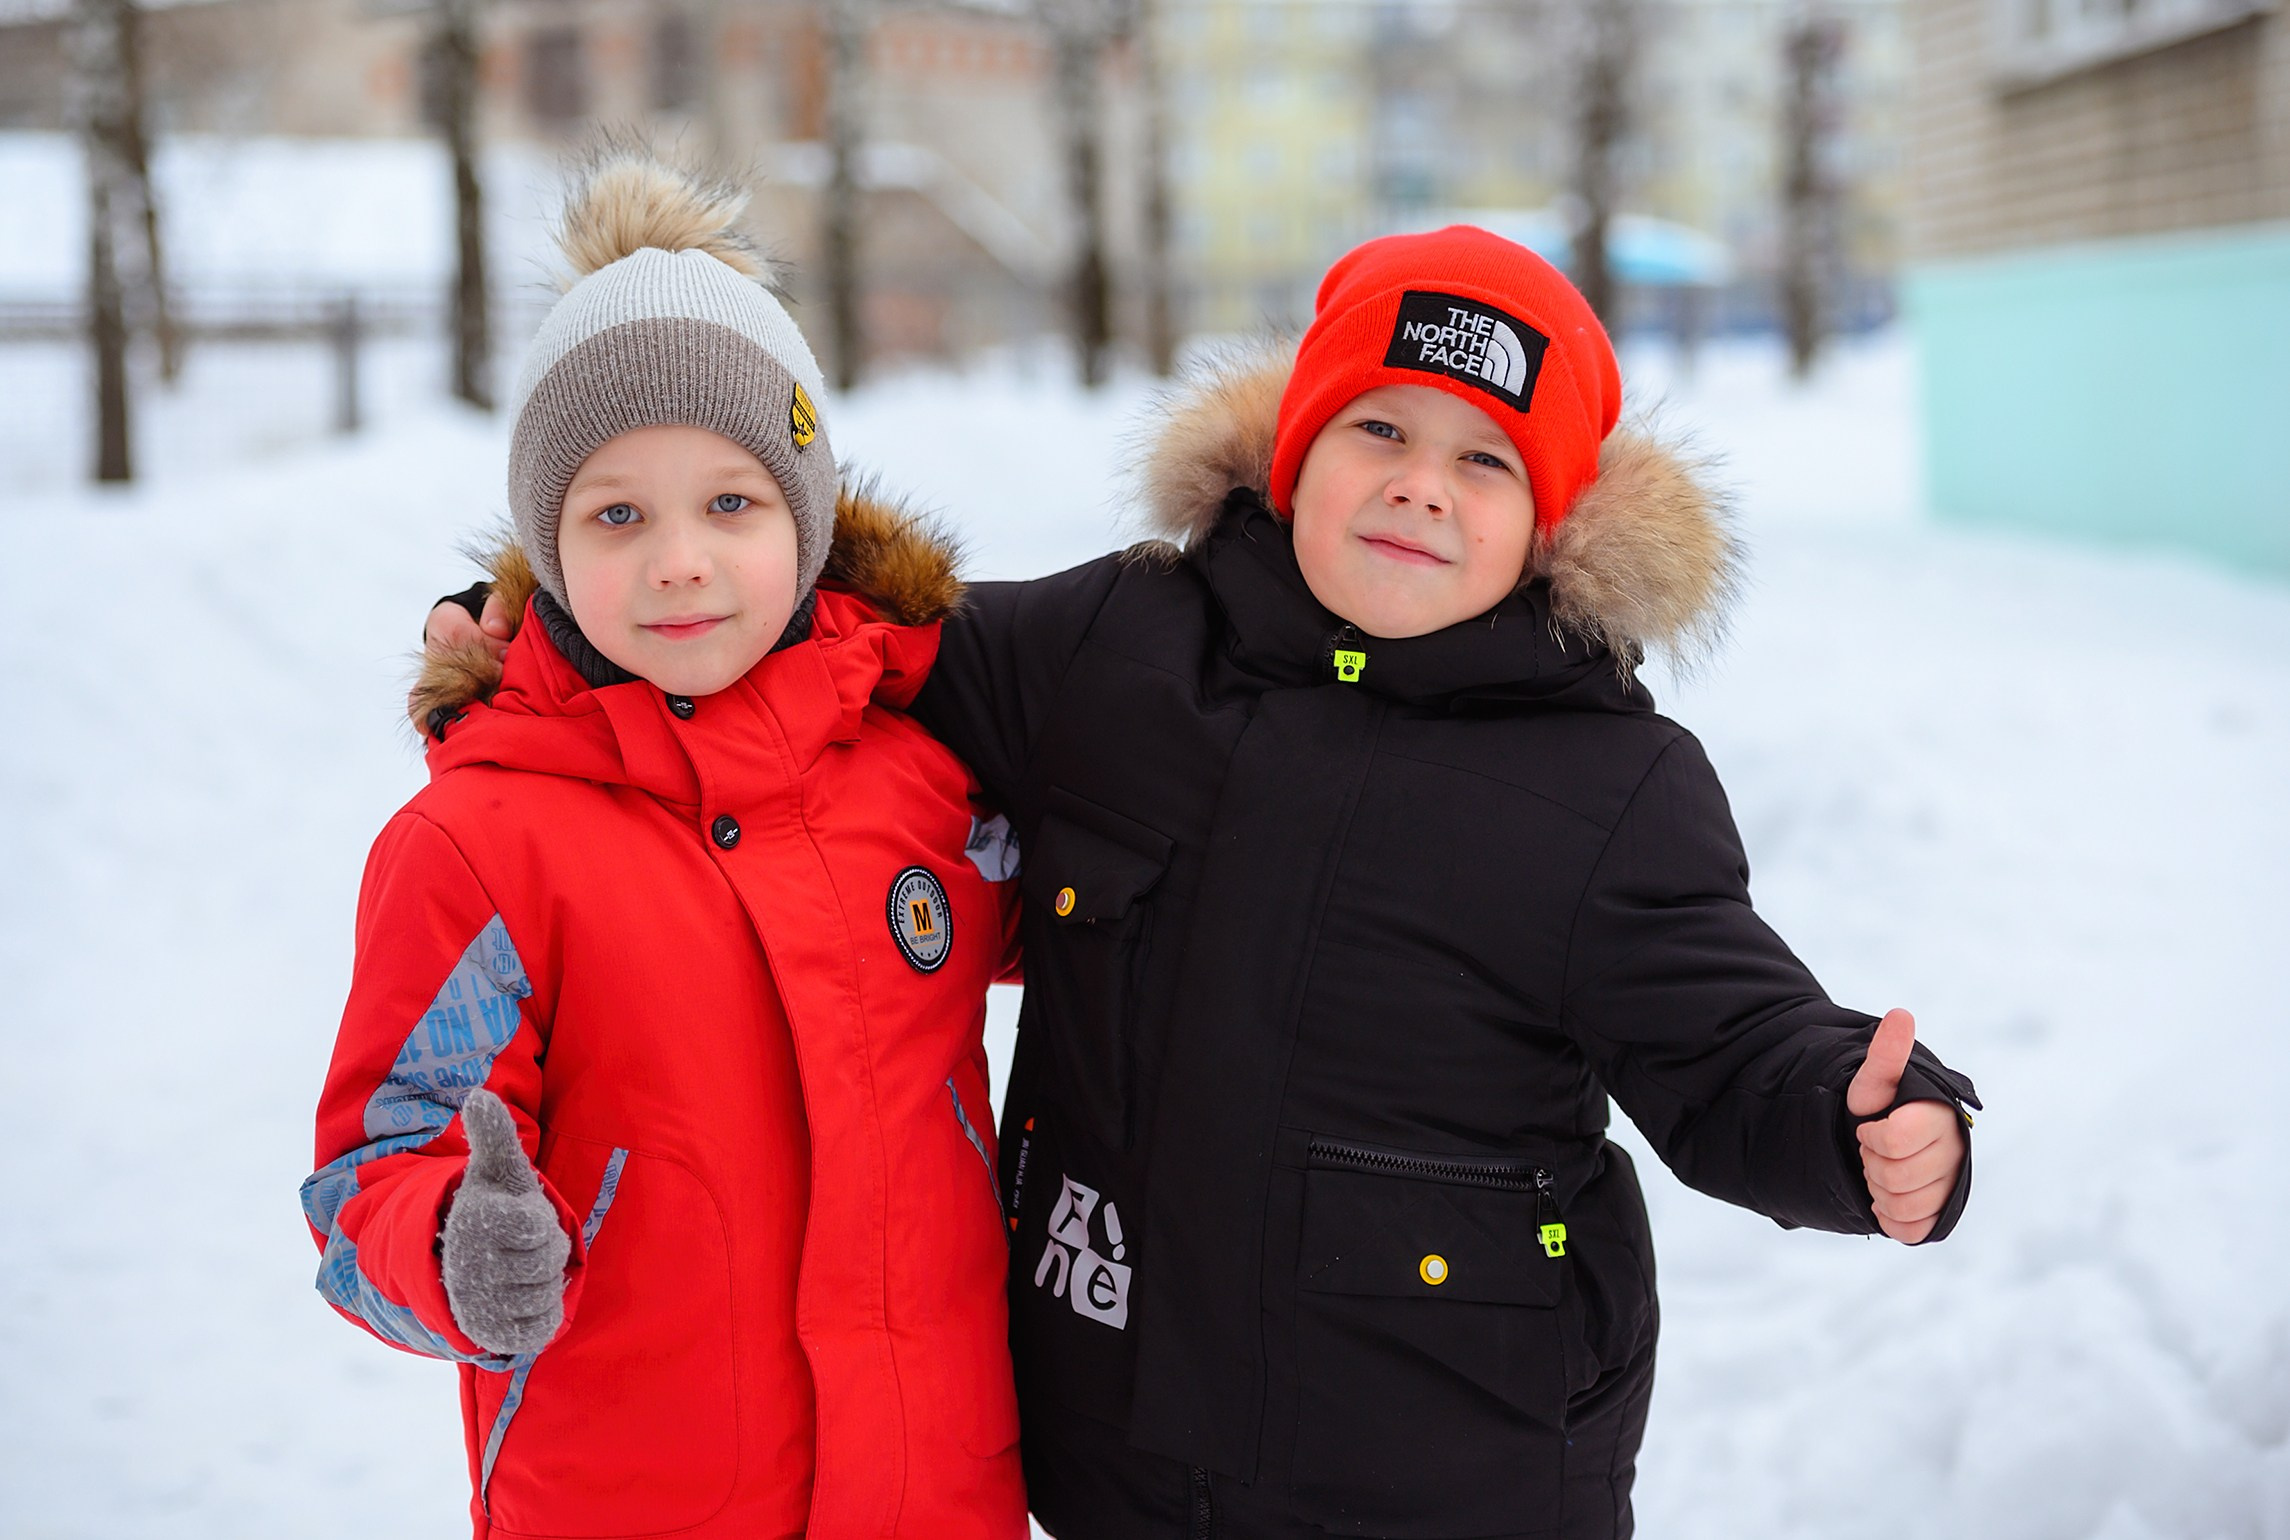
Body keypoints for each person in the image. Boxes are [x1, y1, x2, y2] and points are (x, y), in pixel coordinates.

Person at [425, 226, 1979, 1539]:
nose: (1419, 487)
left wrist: (1845, 1115)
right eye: (1378, 432)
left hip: (1452, 1460)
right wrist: (555, 638)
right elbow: (824, 643)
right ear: (1292, 454)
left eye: (1483, 461)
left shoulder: (1607, 789)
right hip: (1117, 1443)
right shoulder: (1116, 649)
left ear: (1552, 523)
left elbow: (1726, 1032)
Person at [308, 154, 1028, 1540]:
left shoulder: (922, 780)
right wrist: (452, 1247)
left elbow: (1105, 932)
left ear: (808, 520)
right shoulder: (479, 846)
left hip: (931, 1492)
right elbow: (366, 1184)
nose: (679, 560)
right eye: (617, 514)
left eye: (732, 504)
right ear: (546, 545)